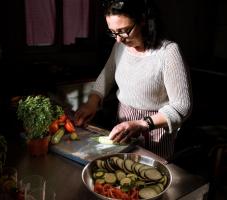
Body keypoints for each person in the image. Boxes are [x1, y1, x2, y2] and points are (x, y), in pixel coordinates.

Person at [74, 0, 192, 161]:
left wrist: (143, 124)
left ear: (143, 21)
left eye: (123, 31)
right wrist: (91, 103)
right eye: (113, 32)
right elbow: (106, 76)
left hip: (155, 130)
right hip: (123, 122)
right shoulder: (120, 46)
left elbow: (182, 107)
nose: (118, 39)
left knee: (148, 178)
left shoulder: (168, 52)